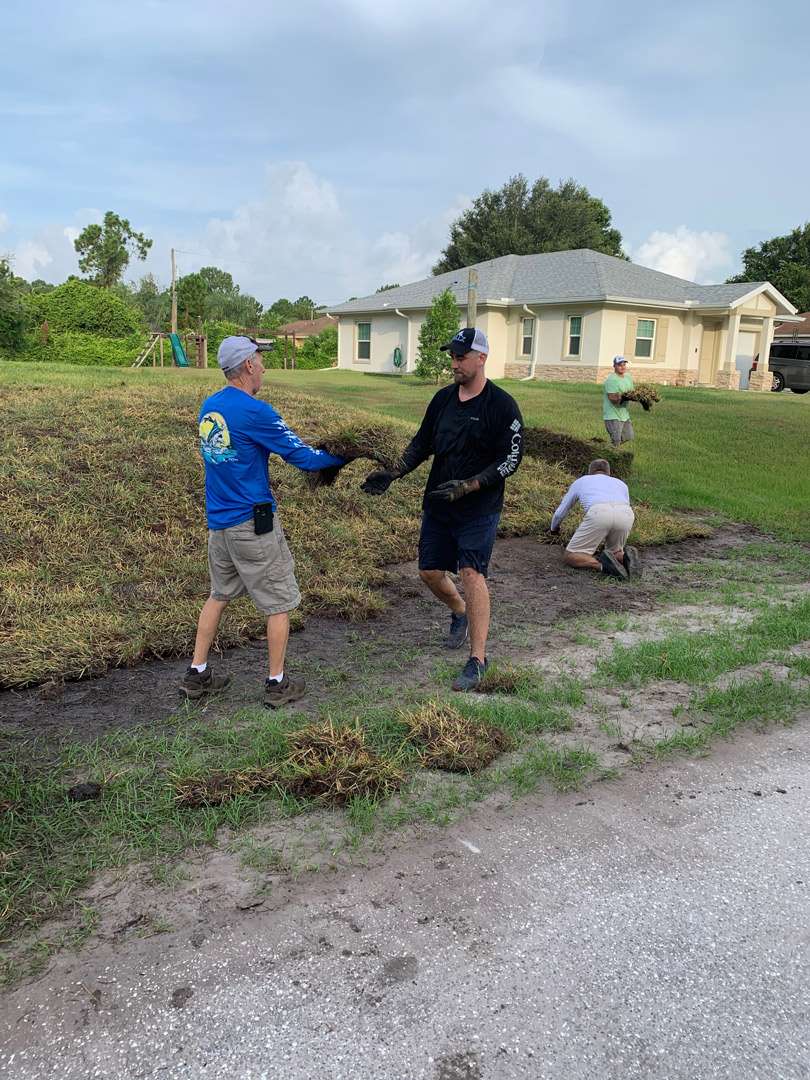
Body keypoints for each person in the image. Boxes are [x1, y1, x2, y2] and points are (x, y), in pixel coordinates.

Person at [182, 336, 346, 707]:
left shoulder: (210, 408)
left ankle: (197, 674)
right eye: (260, 358)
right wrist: (344, 456)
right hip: (252, 525)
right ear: (248, 366)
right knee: (278, 602)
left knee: (218, 595)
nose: (264, 366)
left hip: (219, 525)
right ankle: (277, 684)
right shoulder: (255, 412)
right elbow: (304, 458)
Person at [361, 328, 523, 691]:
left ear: (481, 358)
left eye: (461, 357)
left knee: (471, 573)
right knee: (429, 572)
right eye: (452, 356)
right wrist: (394, 472)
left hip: (478, 508)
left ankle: (478, 659)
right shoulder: (443, 400)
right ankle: (460, 612)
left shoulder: (502, 406)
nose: (455, 363)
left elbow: (511, 459)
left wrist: (470, 485)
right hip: (438, 502)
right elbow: (422, 444)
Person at [549, 459, 641, 579]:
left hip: (599, 512)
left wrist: (553, 529)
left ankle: (603, 566)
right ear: (609, 473)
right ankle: (623, 558)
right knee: (615, 551)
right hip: (626, 514)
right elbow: (623, 506)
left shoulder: (582, 481)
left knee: (571, 555)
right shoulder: (621, 484)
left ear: (590, 472)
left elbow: (560, 513)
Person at [603, 355, 635, 446]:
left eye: (624, 364)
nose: (622, 367)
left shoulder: (628, 377)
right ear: (614, 366)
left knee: (629, 436)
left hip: (624, 414)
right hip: (612, 415)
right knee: (616, 440)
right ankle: (611, 453)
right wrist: (624, 397)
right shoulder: (611, 380)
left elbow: (632, 393)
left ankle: (610, 448)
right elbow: (613, 399)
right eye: (619, 364)